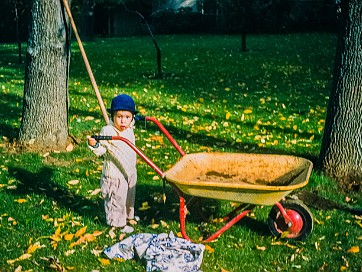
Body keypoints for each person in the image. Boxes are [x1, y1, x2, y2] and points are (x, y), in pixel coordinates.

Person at [88, 94, 139, 233]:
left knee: (129, 196)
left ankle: (129, 216)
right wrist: (95, 144)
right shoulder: (108, 131)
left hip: (129, 171)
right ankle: (117, 224)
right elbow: (101, 150)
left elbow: (131, 122)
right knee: (117, 198)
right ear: (112, 116)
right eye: (119, 117)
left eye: (127, 117)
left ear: (132, 118)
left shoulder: (129, 128)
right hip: (115, 176)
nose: (123, 121)